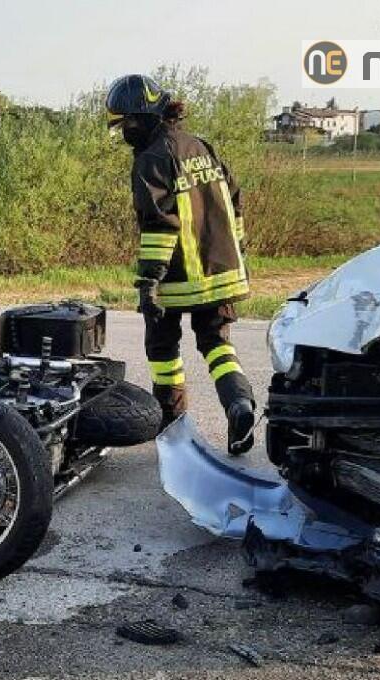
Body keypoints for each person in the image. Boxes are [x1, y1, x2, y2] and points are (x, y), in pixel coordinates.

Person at [106, 74, 256, 455]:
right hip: (221, 271)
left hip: (177, 279)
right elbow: (235, 205)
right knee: (218, 346)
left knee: (162, 350)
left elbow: (160, 226)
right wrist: (238, 255)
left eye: (128, 123)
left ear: (147, 117)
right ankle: (239, 406)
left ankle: (173, 431)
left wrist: (147, 283)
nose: (126, 132)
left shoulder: (151, 160)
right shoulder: (201, 146)